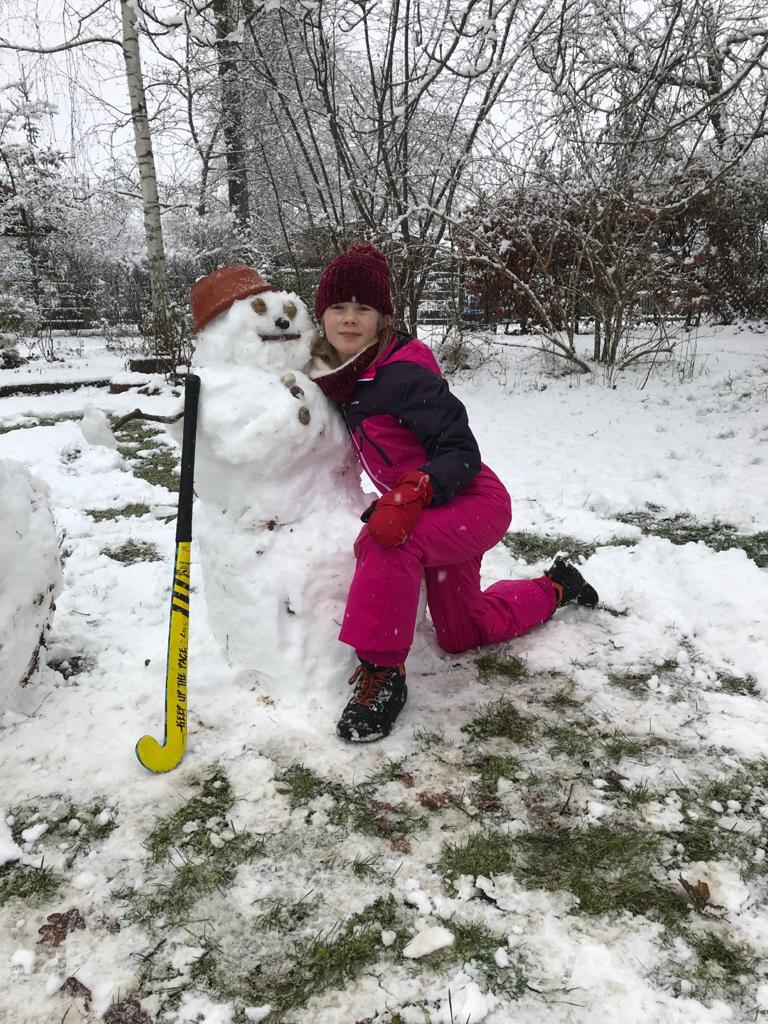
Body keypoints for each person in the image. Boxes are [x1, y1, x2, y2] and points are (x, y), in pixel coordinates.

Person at [311, 244, 598, 743]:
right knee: (462, 634)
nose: (350, 318)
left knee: (386, 540)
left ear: (384, 318)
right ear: (322, 316)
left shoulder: (404, 372)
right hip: (427, 510)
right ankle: (557, 586)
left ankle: (382, 677)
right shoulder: (342, 375)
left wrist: (415, 489)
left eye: (364, 308)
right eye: (339, 307)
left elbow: (461, 450)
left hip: (468, 499)